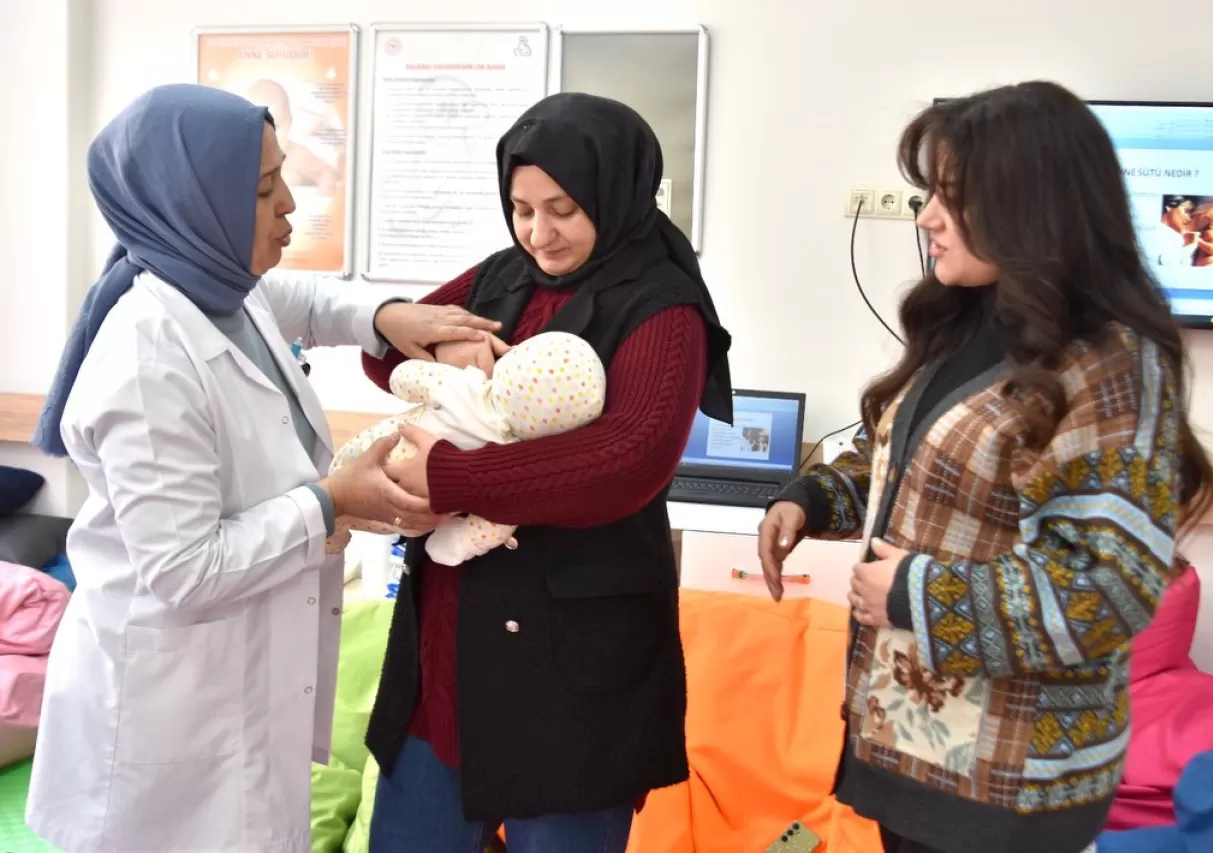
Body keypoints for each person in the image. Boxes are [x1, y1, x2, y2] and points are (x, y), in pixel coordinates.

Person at [25, 84, 498, 852]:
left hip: (234, 699)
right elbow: (184, 569)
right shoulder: (146, 361)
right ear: (193, 203)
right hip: (163, 722)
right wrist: (330, 502)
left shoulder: (217, 290)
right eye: (262, 188)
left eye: (285, 179)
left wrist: (383, 319)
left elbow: (297, 299)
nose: (289, 206)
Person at [757, 81, 1213, 853]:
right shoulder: (964, 320)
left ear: (1031, 207)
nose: (926, 217)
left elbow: (1110, 583)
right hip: (915, 749)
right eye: (927, 193)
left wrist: (913, 592)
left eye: (952, 197)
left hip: (1010, 781)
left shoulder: (1107, 364)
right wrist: (813, 499)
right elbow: (915, 468)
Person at [361, 92, 733, 852]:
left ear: (614, 192)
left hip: (574, 663)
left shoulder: (663, 307)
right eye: (521, 208)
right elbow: (382, 349)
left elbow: (626, 461)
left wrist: (453, 480)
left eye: (561, 208)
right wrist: (440, 349)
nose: (539, 232)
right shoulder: (505, 274)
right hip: (452, 644)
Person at [326, 330, 607, 563]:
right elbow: (496, 523)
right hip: (410, 513)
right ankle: (337, 525)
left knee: (336, 498)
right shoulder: (513, 460)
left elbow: (402, 376)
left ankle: (333, 525)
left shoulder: (463, 385)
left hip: (363, 455)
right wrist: (457, 544)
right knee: (360, 515)